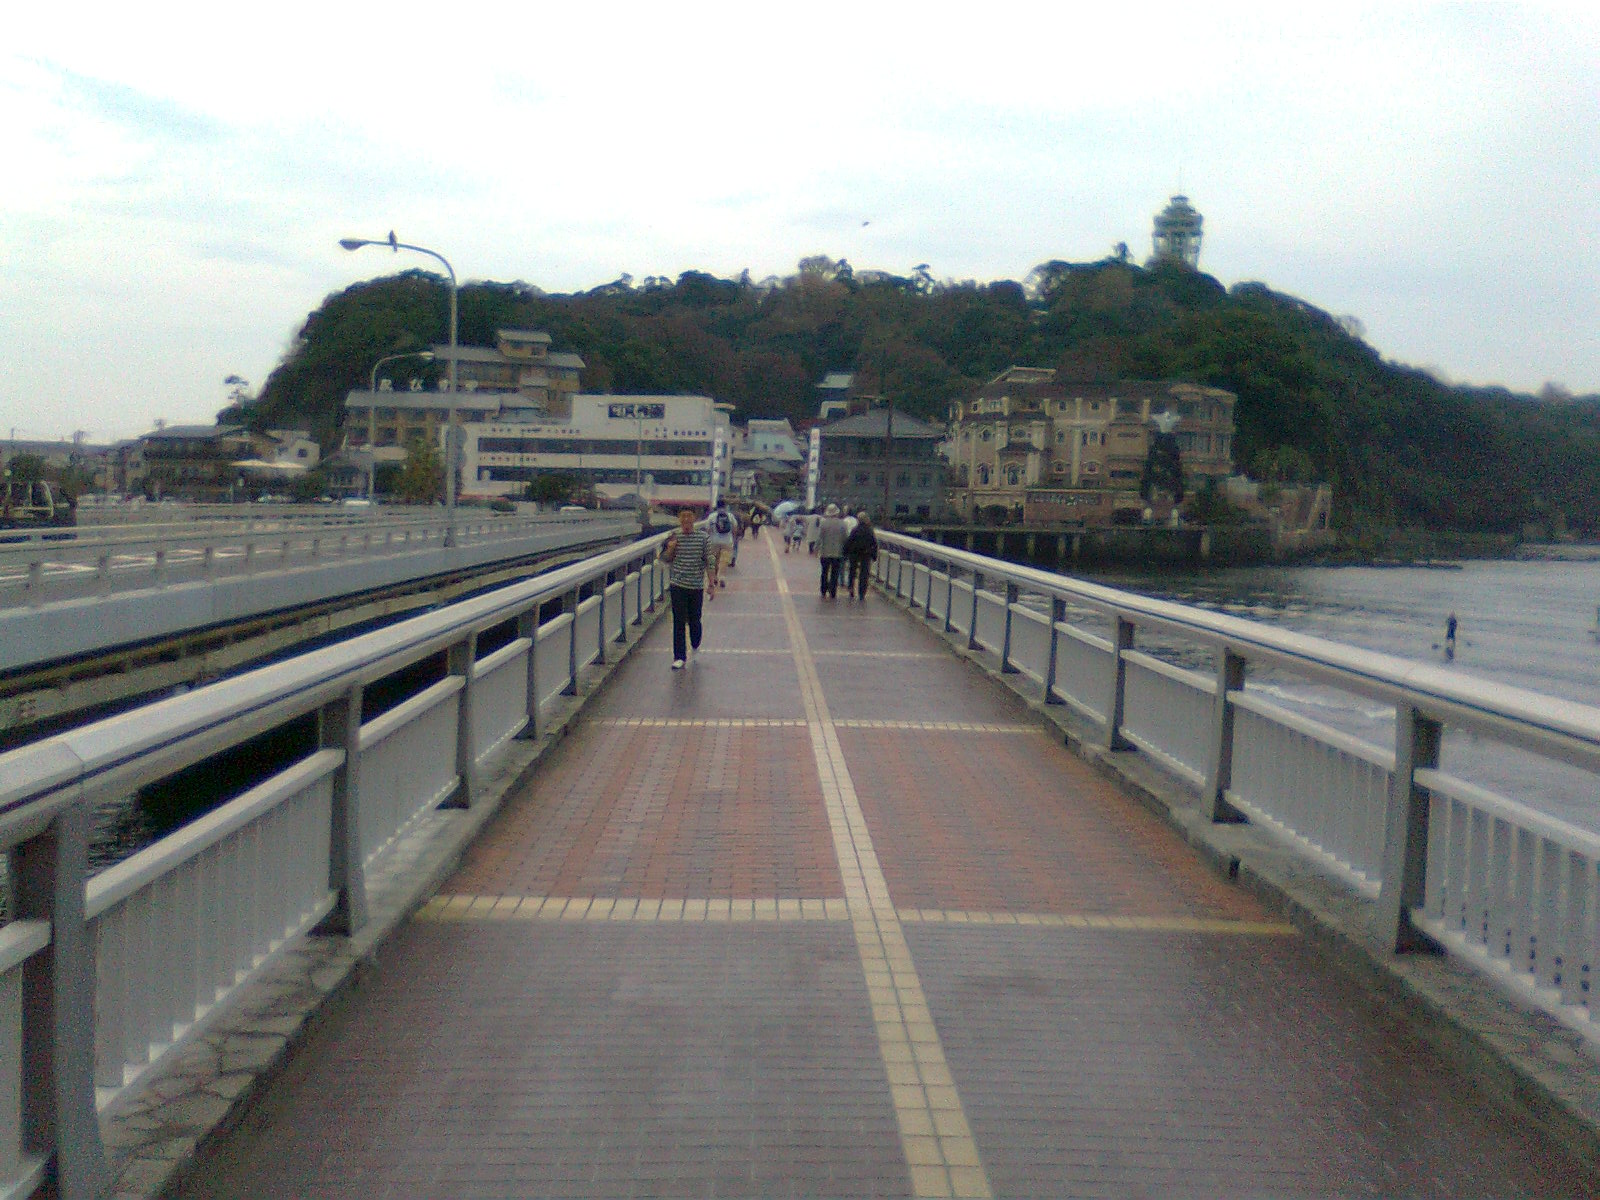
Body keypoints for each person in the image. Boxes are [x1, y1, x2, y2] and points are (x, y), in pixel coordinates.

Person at [660, 508, 712, 669]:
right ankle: (679, 657)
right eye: (683, 516)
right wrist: (671, 548)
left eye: (689, 515)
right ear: (679, 518)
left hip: (696, 586)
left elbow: (709, 560)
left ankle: (695, 644)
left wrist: (711, 583)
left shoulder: (703, 538)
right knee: (678, 621)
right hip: (678, 585)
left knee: (695, 620)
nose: (686, 519)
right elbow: (664, 559)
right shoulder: (673, 537)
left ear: (695, 518)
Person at [843, 510, 878, 600]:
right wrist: (874, 555)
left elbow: (849, 541)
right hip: (866, 554)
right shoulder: (869, 530)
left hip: (854, 553)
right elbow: (874, 543)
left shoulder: (855, 530)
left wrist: (845, 552)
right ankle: (862, 592)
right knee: (864, 573)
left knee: (852, 571)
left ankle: (851, 587)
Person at [705, 499, 736, 593]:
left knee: (714, 560)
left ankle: (714, 577)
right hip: (727, 542)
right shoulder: (730, 516)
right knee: (724, 560)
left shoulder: (712, 516)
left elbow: (707, 529)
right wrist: (733, 538)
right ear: (725, 506)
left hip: (714, 541)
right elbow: (735, 528)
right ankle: (722, 577)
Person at [817, 504, 847, 598]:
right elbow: (845, 538)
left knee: (824, 572)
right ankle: (833, 591)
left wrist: (816, 548)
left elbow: (819, 537)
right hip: (838, 552)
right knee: (835, 572)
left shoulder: (823, 523)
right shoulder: (842, 524)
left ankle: (823, 589)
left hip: (825, 552)